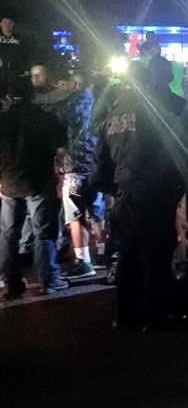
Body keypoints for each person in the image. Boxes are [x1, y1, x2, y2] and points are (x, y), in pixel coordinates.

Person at [93, 63, 184, 330]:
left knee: (129, 254)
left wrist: (114, 188)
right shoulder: (152, 111)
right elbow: (171, 153)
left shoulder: (112, 114)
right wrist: (176, 189)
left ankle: (124, 314)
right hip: (152, 192)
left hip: (124, 193)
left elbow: (101, 161)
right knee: (155, 254)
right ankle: (155, 316)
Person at [0, 78, 69, 299]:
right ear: (33, 95)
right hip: (39, 181)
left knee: (9, 233)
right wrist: (61, 177)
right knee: (44, 232)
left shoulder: (3, 120)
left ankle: (11, 281)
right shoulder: (45, 118)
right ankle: (47, 280)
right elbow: (60, 151)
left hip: (9, 182)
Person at [59, 70, 100, 279]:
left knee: (75, 215)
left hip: (74, 168)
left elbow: (61, 134)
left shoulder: (69, 106)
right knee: (96, 213)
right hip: (95, 165)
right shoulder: (98, 103)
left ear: (74, 84)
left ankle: (83, 261)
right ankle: (104, 254)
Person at [0, 12, 26, 93]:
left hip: (14, 74)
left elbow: (24, 56)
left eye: (10, 23)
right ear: (0, 24)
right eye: (5, 22)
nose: (7, 25)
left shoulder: (20, 40)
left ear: (13, 24)